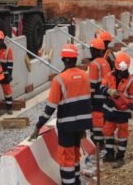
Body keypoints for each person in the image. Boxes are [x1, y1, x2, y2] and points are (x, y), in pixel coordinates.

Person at [29, 44, 92, 185]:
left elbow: (50, 108)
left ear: (64, 60)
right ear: (75, 59)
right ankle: (76, 181)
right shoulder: (85, 76)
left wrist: (38, 126)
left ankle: (69, 182)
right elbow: (88, 101)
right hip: (82, 125)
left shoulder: (59, 79)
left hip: (67, 126)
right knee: (75, 153)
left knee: (66, 158)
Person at [99, 52, 133, 168]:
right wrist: (109, 91)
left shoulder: (131, 80)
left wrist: (128, 103)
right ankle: (110, 153)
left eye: (122, 71)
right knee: (108, 132)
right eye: (119, 70)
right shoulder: (109, 75)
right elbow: (101, 87)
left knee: (122, 135)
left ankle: (120, 157)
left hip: (122, 112)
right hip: (109, 110)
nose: (120, 73)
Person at [87, 38, 111, 152]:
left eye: (91, 49)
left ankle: (99, 144)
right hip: (106, 96)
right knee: (103, 118)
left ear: (95, 50)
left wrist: (88, 101)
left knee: (96, 120)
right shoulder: (105, 62)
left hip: (97, 97)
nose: (90, 52)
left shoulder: (94, 64)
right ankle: (103, 141)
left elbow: (92, 85)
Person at [0, 30, 14, 114]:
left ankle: (9, 108)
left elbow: (10, 64)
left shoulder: (8, 49)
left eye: (0, 40)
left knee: (7, 92)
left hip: (5, 75)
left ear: (3, 40)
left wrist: (9, 74)